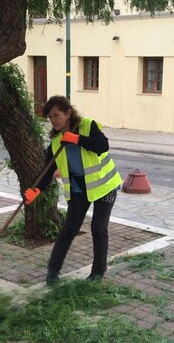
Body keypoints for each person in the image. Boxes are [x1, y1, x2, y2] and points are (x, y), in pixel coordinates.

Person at [23, 95, 122, 285]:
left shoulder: (87, 126)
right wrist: (35, 190)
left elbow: (103, 146)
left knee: (98, 228)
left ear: (68, 113)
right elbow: (47, 171)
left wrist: (77, 139)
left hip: (104, 186)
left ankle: (98, 272)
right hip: (79, 190)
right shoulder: (55, 143)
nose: (53, 120)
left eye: (56, 115)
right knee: (69, 229)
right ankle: (53, 271)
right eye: (50, 117)